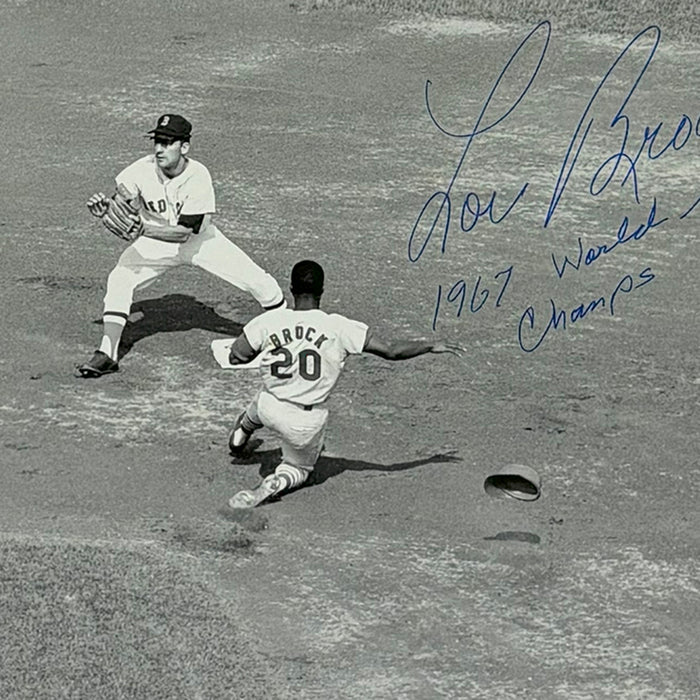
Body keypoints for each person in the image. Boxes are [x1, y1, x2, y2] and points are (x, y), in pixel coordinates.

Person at [226, 259, 462, 509]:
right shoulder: (339, 327)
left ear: (291, 289)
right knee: (299, 468)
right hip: (304, 423)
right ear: (322, 291)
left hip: (269, 407)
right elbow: (391, 351)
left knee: (262, 398)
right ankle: (277, 482)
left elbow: (236, 355)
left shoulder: (268, 321)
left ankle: (240, 438)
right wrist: (429, 346)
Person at [76, 114, 285, 378]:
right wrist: (107, 207)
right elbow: (122, 202)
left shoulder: (198, 176)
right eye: (157, 142)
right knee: (120, 278)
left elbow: (184, 234)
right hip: (154, 244)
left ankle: (290, 334)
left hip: (201, 242)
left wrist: (143, 229)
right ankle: (107, 353)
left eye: (167, 142)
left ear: (184, 147)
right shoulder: (140, 169)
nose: (159, 148)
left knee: (259, 283)